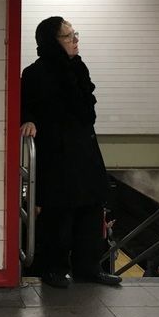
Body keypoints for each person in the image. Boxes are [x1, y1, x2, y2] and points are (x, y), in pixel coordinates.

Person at [20, 17, 121, 288]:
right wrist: (27, 119)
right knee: (58, 216)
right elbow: (24, 105)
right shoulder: (33, 74)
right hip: (56, 155)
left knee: (90, 212)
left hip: (84, 152)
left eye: (75, 34)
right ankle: (53, 269)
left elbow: (87, 109)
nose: (75, 40)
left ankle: (89, 268)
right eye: (68, 36)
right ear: (52, 42)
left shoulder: (78, 68)